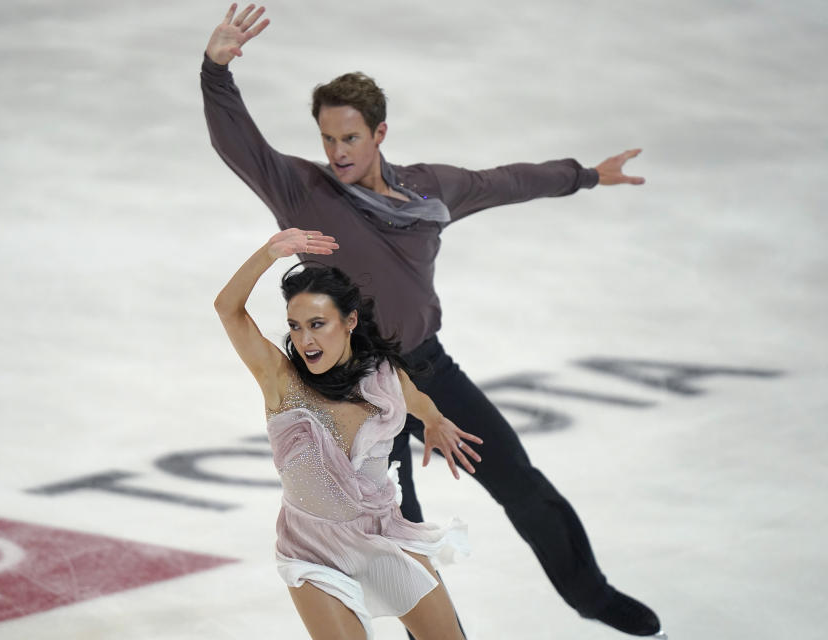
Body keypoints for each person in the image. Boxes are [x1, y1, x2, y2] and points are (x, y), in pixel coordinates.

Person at [201, 4, 663, 637]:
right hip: (354, 390)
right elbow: (239, 145)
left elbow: (503, 182)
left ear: (380, 132)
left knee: (521, 483)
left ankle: (594, 597)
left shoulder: (427, 194)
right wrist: (216, 72)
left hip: (425, 367)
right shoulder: (302, 190)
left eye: (350, 138)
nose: (336, 153)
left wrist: (582, 176)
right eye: (327, 139)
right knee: (398, 545)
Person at [214, 226, 483, 640]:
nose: (305, 340)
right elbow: (227, 309)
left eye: (317, 324)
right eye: (296, 326)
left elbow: (417, 399)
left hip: (382, 535)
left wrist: (435, 422)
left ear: (350, 321)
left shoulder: (382, 378)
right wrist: (269, 254)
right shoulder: (282, 382)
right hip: (311, 551)